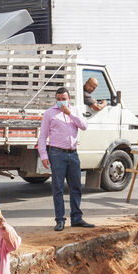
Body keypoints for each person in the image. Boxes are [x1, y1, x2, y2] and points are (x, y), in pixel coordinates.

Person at [37, 87, 95, 231]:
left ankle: (76, 218)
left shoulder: (74, 111)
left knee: (76, 187)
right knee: (58, 188)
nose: (61, 102)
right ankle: (60, 220)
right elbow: (43, 136)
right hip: (57, 154)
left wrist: (70, 114)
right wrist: (44, 155)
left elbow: (84, 126)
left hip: (73, 153)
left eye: (64, 99)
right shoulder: (49, 113)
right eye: (58, 99)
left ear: (69, 99)